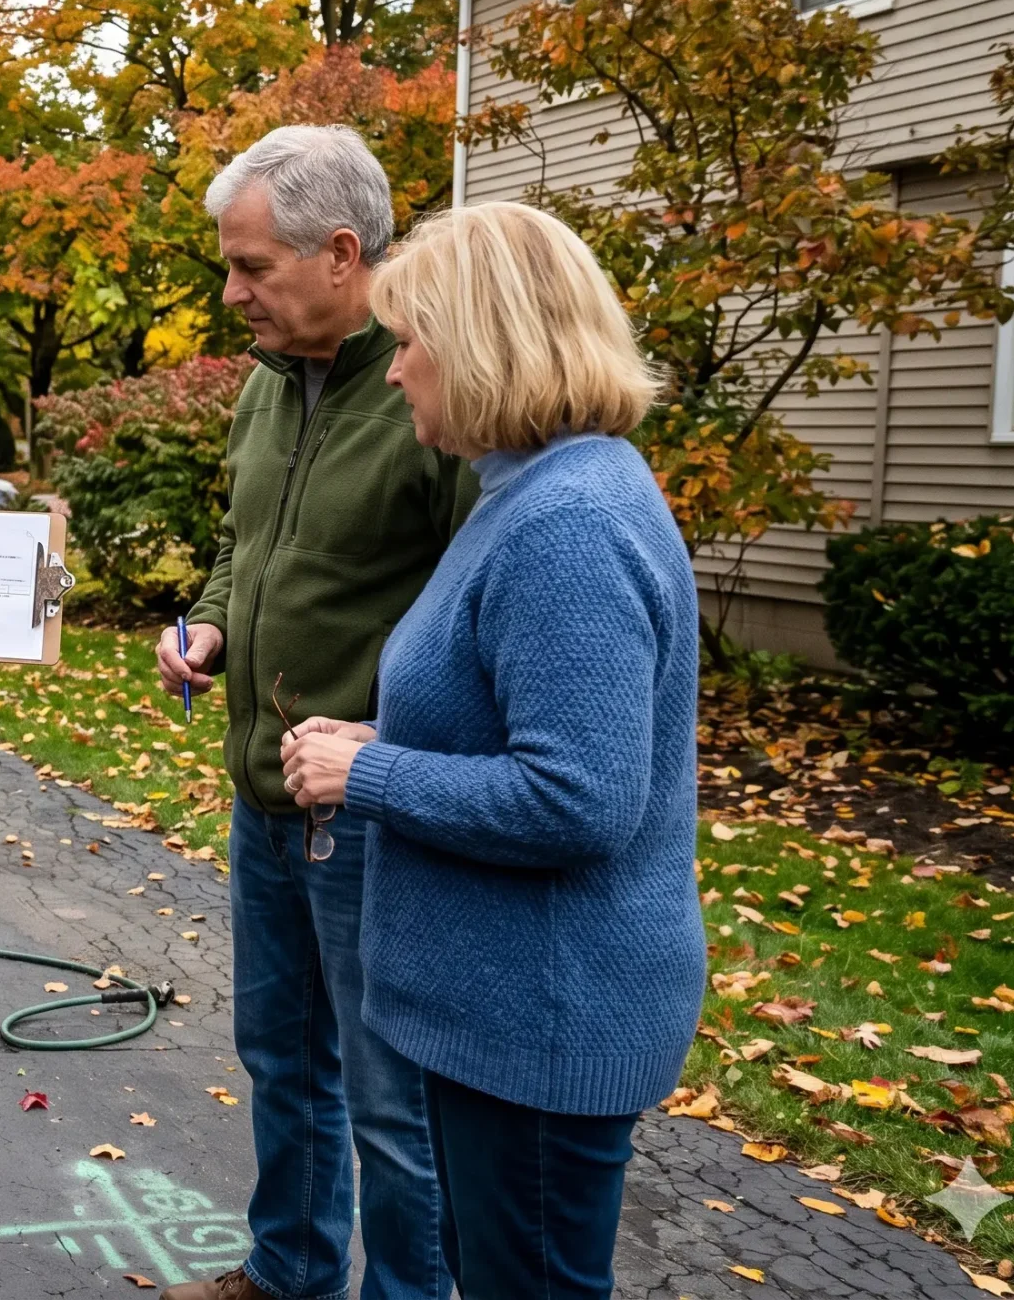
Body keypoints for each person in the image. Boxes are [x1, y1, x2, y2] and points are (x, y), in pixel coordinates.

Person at [278, 200, 702, 1299]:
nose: (392, 371)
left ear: (479, 344)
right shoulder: (526, 490)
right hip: (503, 1018)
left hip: (544, 1024)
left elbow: (578, 797)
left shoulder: (565, 520)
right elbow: (517, 720)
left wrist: (364, 773)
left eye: (411, 341)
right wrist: (383, 734)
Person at [153, 126, 476, 1300]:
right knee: (281, 1062)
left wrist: (398, 757)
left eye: (251, 267)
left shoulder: (435, 384)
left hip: (377, 813)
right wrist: (207, 622)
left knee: (394, 1105)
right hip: (265, 798)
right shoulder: (261, 386)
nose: (231, 292)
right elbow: (248, 549)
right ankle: (287, 1274)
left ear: (342, 253)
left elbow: (482, 603)